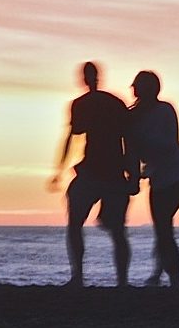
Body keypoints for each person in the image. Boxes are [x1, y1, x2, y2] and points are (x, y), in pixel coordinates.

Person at [48, 61, 138, 287]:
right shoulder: (110, 103)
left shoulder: (87, 104)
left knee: (101, 227)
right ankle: (104, 279)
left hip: (104, 172)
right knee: (109, 229)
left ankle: (86, 277)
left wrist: (134, 174)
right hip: (101, 172)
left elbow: (72, 136)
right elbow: (129, 140)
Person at [128, 69, 179, 287]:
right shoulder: (134, 116)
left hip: (176, 174)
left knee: (164, 226)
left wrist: (143, 142)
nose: (133, 90)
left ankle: (174, 278)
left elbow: (170, 143)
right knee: (162, 226)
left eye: (137, 85)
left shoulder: (165, 110)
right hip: (158, 176)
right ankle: (160, 272)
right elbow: (133, 152)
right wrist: (135, 176)